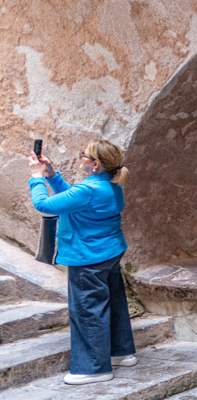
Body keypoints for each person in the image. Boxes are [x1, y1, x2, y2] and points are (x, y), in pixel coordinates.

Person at [28, 139, 137, 385]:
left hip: (87, 257)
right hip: (108, 252)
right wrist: (52, 175)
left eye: (83, 155)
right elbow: (73, 199)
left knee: (87, 310)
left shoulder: (88, 190)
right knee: (115, 304)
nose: (81, 158)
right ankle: (121, 352)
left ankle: (94, 368)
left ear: (95, 164)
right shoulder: (109, 183)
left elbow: (44, 204)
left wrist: (36, 177)